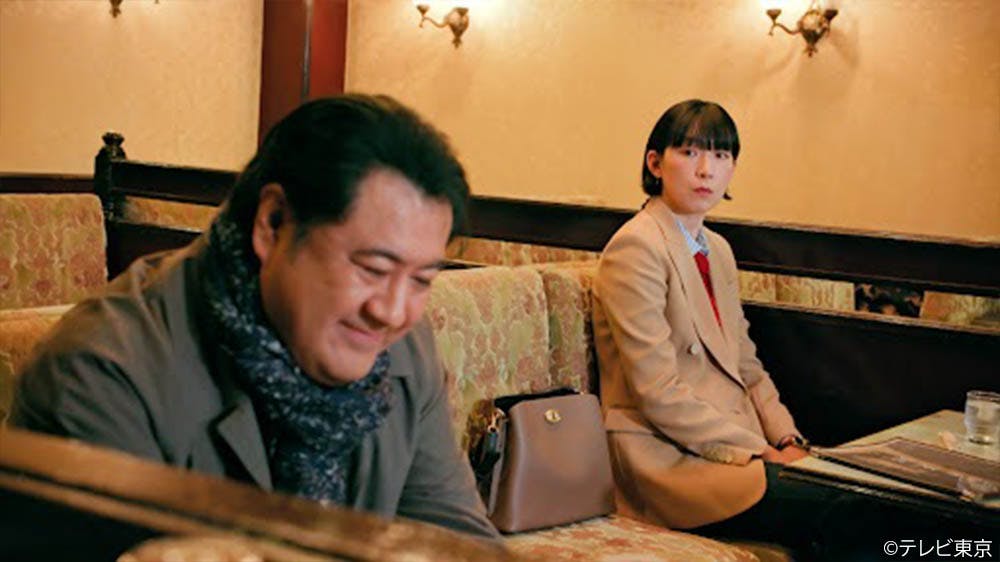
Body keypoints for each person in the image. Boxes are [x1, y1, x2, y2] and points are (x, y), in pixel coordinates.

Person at [11, 94, 498, 539]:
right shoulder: (103, 374)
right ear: (273, 224)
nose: (391, 312)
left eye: (421, 280)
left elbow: (455, 542)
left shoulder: (400, 347)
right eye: (372, 269)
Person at [591, 99, 815, 548]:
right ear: (655, 163)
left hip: (734, 447)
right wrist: (760, 452)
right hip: (665, 459)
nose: (706, 170)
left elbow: (747, 367)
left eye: (720, 155)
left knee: (868, 501)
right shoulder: (636, 247)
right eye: (690, 152)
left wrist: (787, 438)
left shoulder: (719, 249)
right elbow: (658, 393)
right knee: (845, 509)